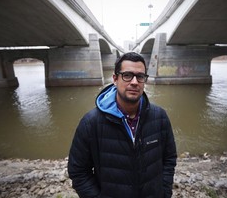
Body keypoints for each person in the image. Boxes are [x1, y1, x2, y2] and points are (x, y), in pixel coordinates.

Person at [68, 52, 177, 198]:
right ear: (115, 79)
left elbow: (169, 159)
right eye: (127, 75)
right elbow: (78, 171)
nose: (134, 82)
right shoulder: (91, 123)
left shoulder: (160, 117)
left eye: (140, 76)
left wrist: (164, 192)